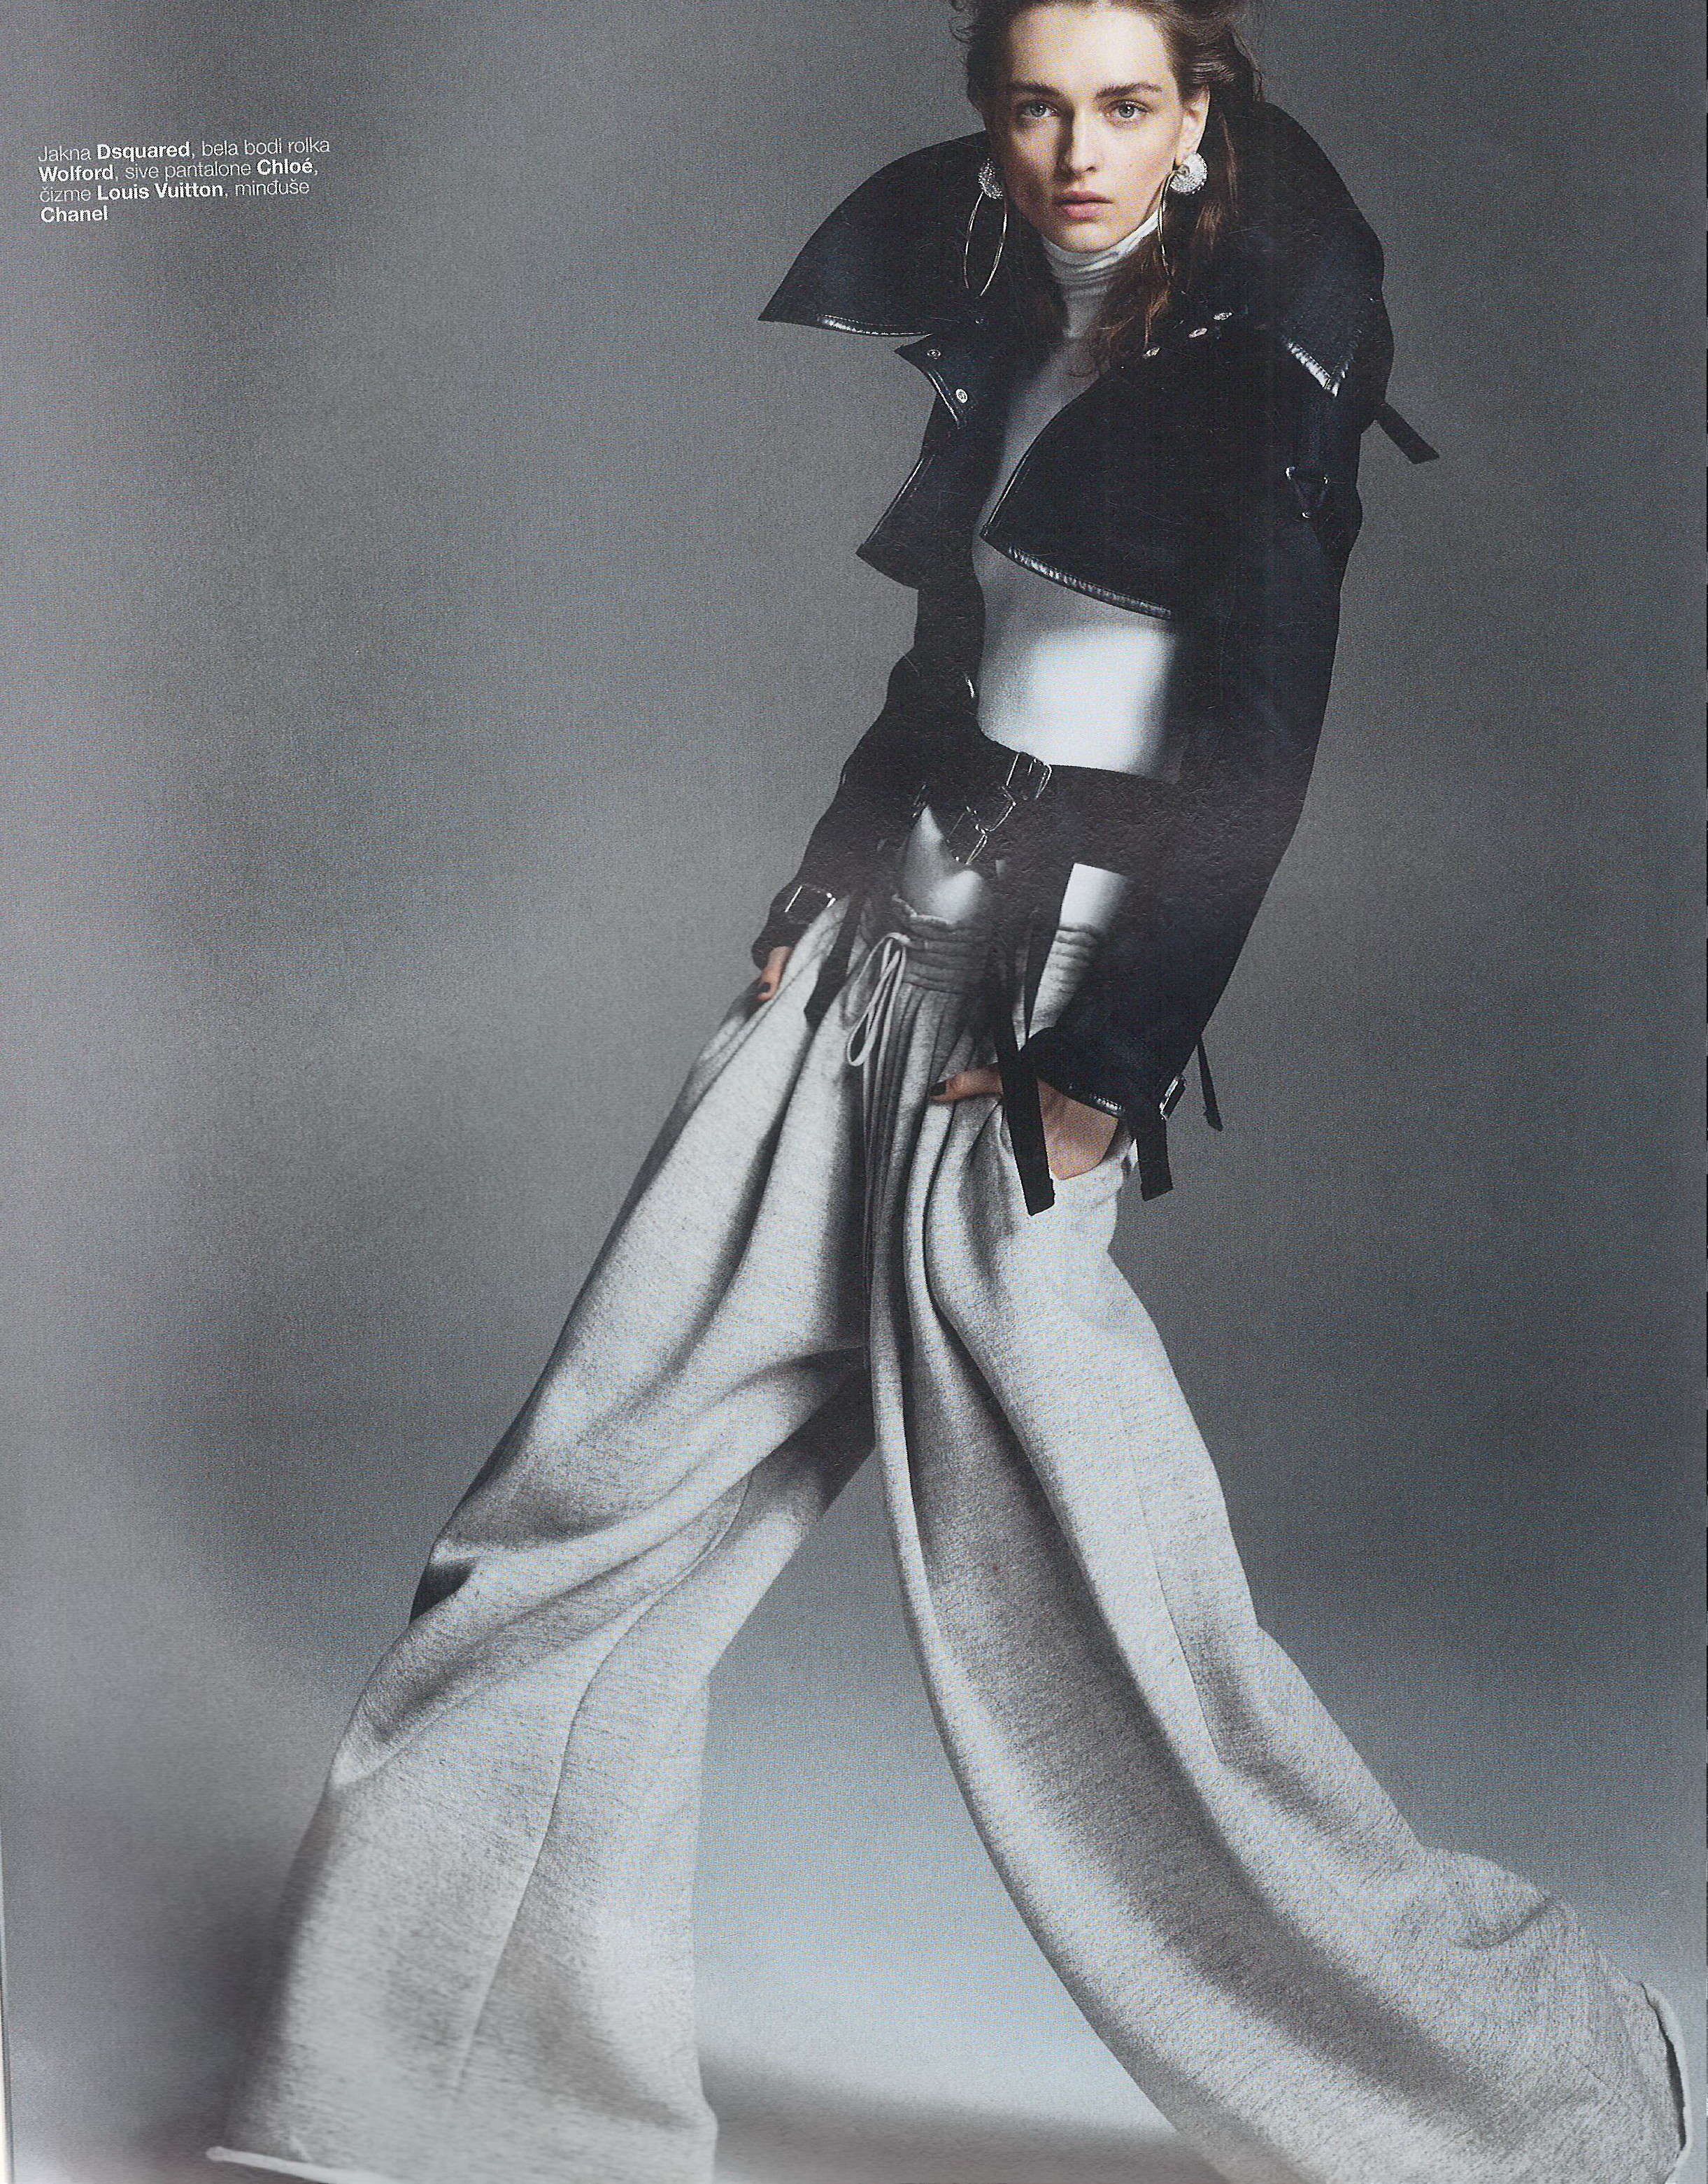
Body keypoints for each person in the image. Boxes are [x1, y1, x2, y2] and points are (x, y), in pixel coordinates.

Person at [208, 4, 1694, 2182]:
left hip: (1042, 1018)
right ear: (987, 114)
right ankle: (432, 2105)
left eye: (1124, 105)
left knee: (1101, 1647)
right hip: (869, 956)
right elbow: (950, 658)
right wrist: (815, 885)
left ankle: (1544, 2098)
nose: (1076, 148)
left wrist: (1102, 1068)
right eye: (1034, 104)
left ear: (1199, 116)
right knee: (578, 1500)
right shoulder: (1010, 310)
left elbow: (1253, 749)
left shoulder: (1262, 366)